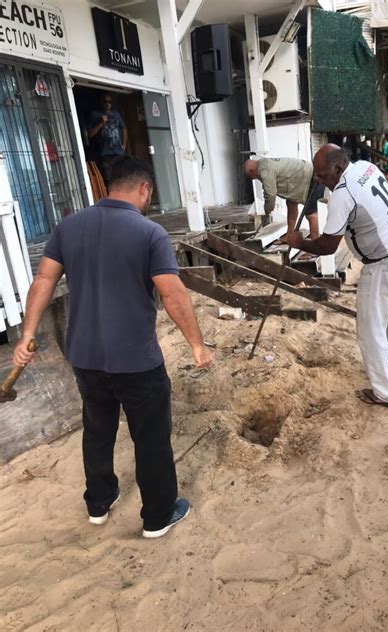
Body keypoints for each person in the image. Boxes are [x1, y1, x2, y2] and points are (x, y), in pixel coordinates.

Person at [13, 156, 213, 538]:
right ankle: (157, 516)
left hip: (85, 357)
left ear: (107, 187)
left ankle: (99, 503)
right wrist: (197, 345)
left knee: (98, 428)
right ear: (144, 189)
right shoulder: (149, 233)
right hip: (137, 360)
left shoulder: (69, 226)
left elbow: (43, 280)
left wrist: (27, 335)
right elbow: (172, 293)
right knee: (150, 435)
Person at [286, 144, 388, 407]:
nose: (318, 180)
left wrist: (298, 241)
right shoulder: (365, 168)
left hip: (385, 262)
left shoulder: (343, 194)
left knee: (370, 328)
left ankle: (386, 393)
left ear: (337, 168)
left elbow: (327, 246)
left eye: (323, 175)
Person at [243, 157, 322, 241]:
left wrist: (268, 209)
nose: (256, 179)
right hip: (301, 178)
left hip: (313, 177)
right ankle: (289, 235)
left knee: (310, 213)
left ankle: (315, 245)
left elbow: (270, 193)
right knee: (291, 203)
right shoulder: (263, 163)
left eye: (252, 177)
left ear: (252, 171)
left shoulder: (265, 170)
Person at [88, 93, 128, 189]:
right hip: (105, 154)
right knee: (109, 180)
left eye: (109, 102)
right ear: (101, 103)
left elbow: (124, 129)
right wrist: (101, 123)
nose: (107, 104)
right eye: (105, 102)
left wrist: (124, 145)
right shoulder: (95, 115)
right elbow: (90, 134)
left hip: (118, 151)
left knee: (123, 176)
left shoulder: (116, 114)